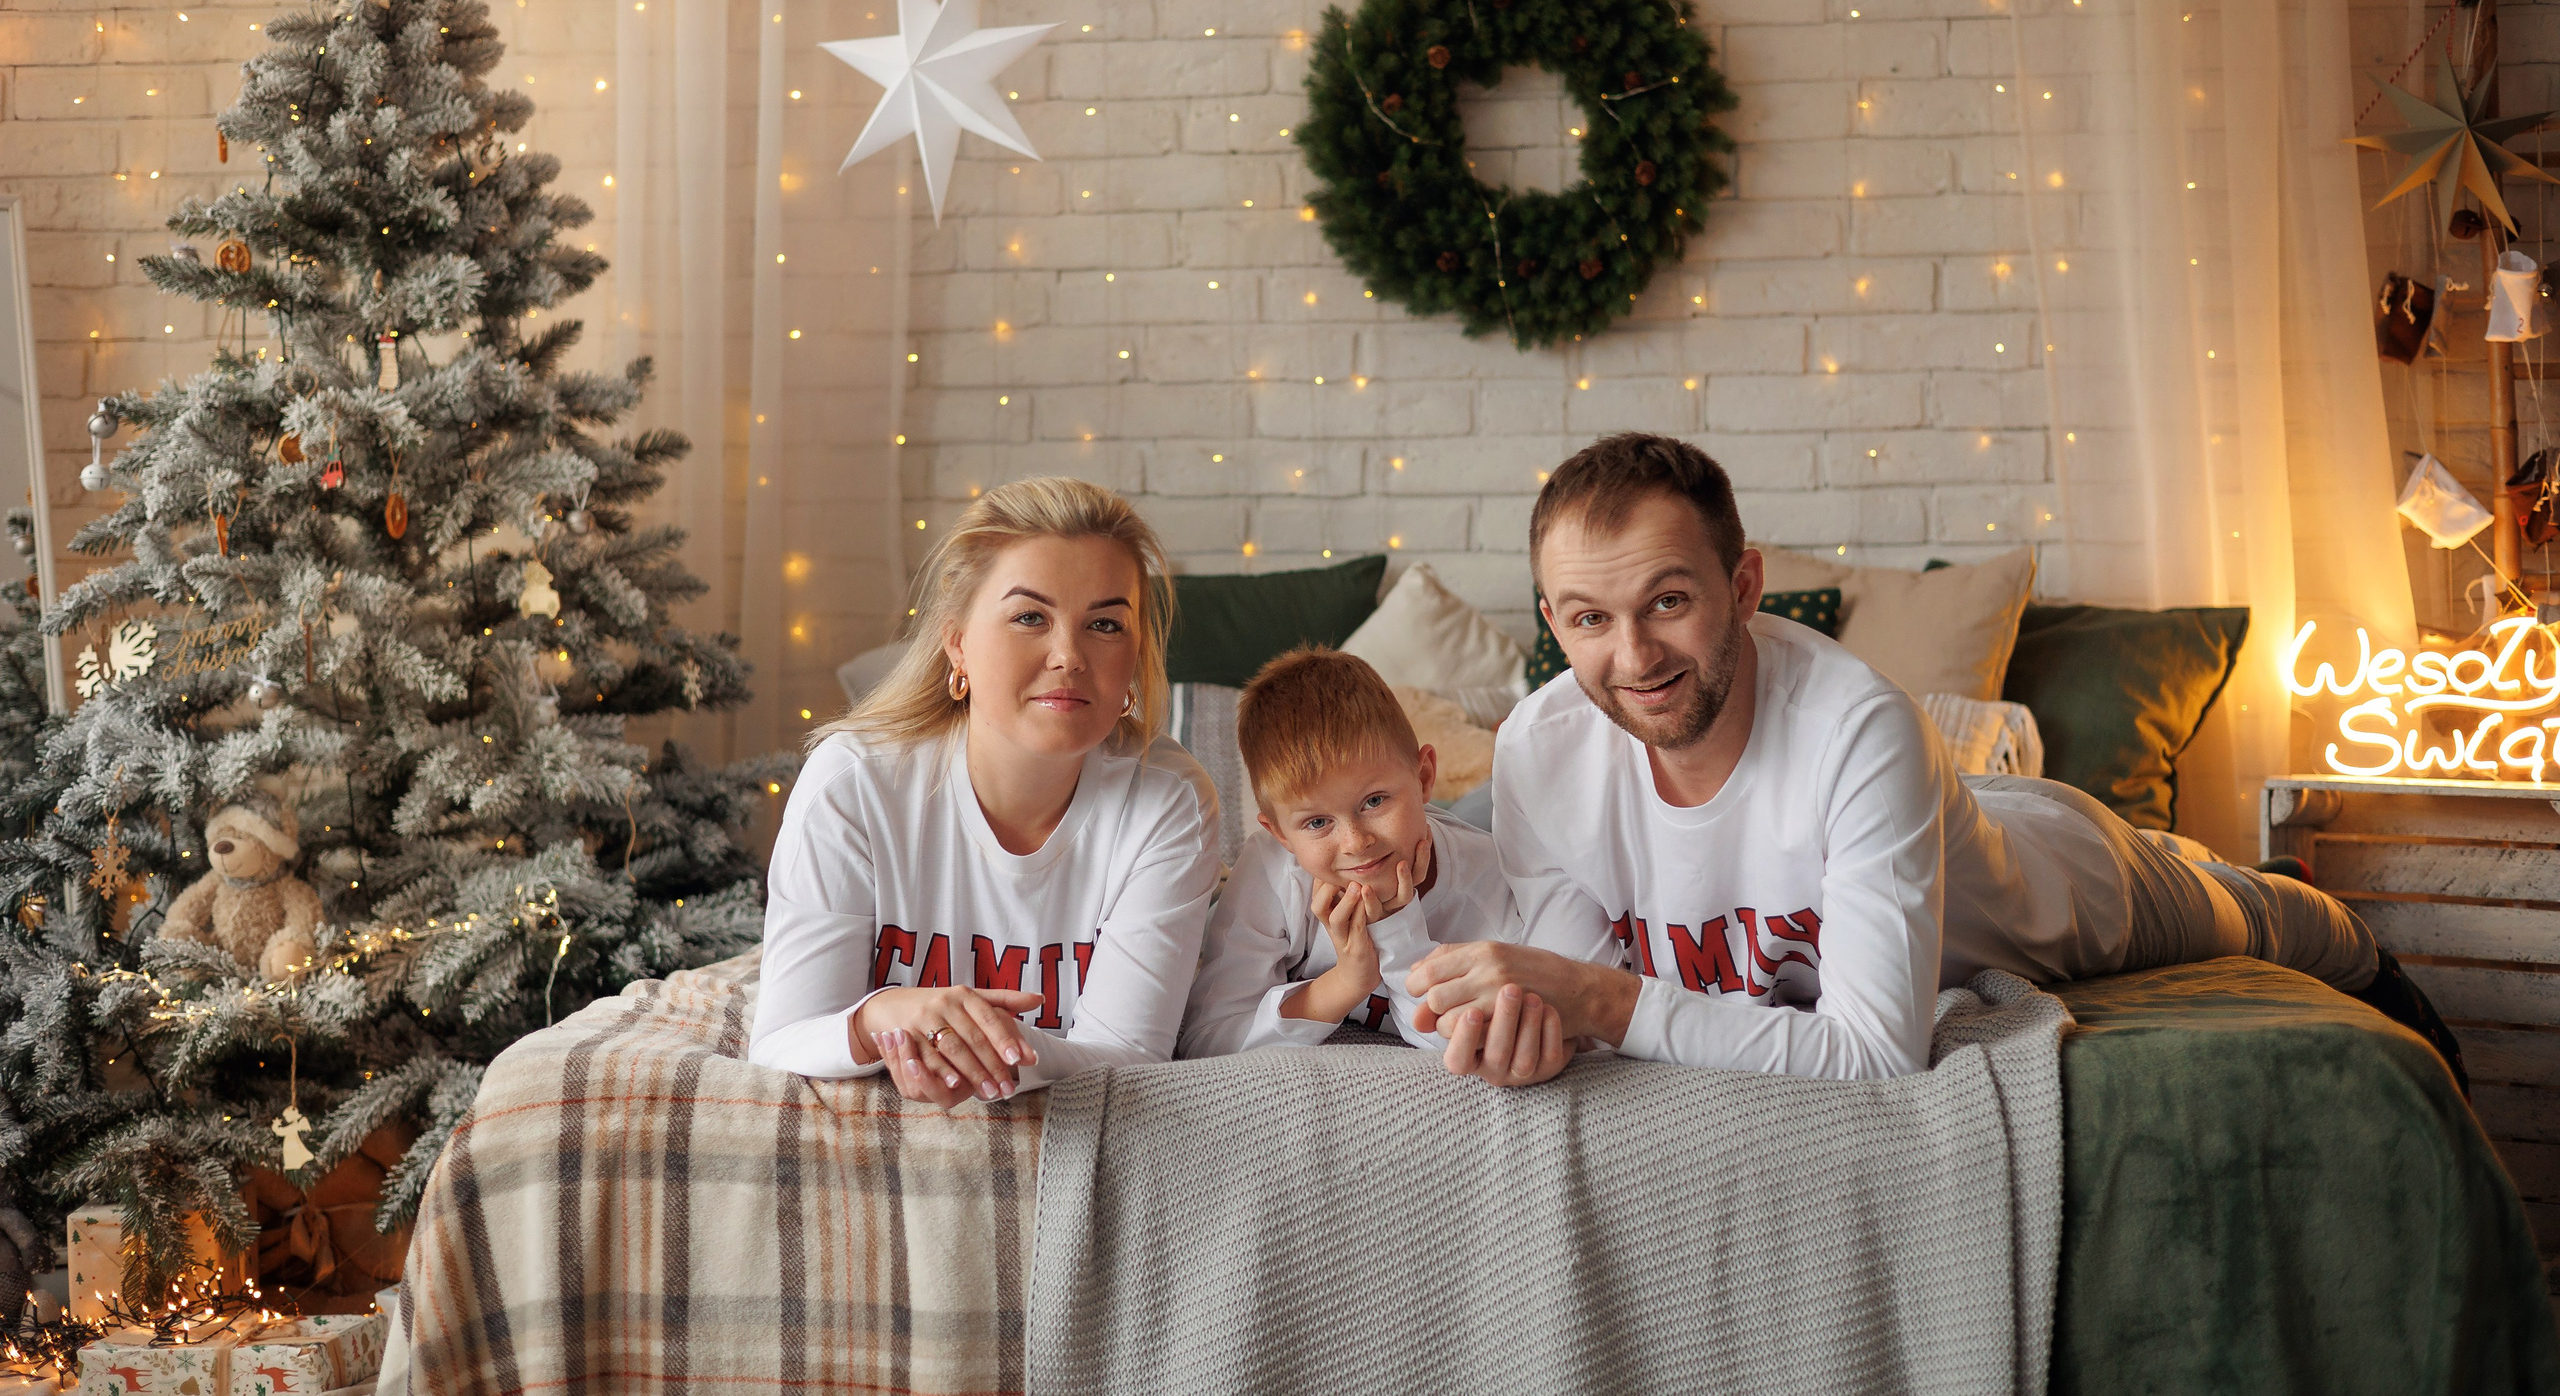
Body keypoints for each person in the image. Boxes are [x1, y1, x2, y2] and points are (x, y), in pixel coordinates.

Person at [1405, 432, 2461, 1091]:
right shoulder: (1538, 753)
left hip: (2059, 873)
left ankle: (2311, 910)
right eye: (1590, 619)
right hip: (1923, 822)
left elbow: (1869, 1053)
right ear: (1552, 621)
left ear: (1743, 586)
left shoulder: (1856, 726)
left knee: (2254, 913)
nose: (1631, 657)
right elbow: (1580, 985)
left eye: (1667, 602)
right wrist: (1540, 1025)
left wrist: (1597, 1005)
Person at [748, 477, 1220, 1107]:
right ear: (957, 643)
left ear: (1136, 655)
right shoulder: (853, 783)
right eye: (1030, 616)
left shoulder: (1168, 802)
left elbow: (1129, 1059)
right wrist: (883, 1018)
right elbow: (783, 1038)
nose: (1068, 656)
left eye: (1105, 624)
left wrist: (969, 1044)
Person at [1179, 648, 1520, 1057]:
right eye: (1317, 823)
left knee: (1506, 799)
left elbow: (1480, 1046)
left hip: (1465, 828)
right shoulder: (1272, 872)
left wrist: (1397, 932)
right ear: (1280, 834)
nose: (1356, 843)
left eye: (1375, 801)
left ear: (1424, 776)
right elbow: (1206, 1041)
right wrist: (1343, 984)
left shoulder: (1492, 880)